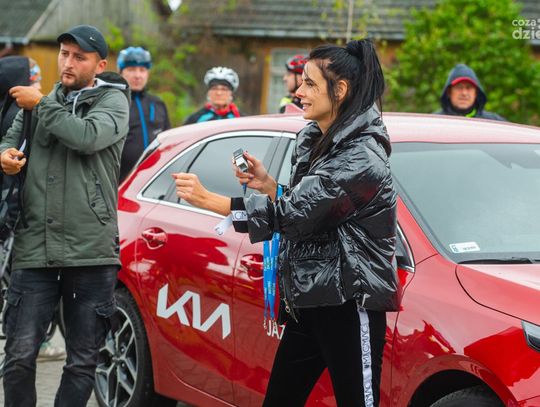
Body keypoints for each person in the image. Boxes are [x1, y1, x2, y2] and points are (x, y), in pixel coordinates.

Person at [173, 39, 399, 406]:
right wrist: (268, 185)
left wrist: (212, 202)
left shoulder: (360, 156)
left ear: (340, 90)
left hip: (349, 302)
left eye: (310, 84)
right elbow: (311, 206)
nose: (298, 92)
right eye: (301, 82)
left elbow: (294, 215)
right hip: (311, 295)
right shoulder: (317, 139)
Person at [0, 24, 129, 406]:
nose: (68, 63)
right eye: (64, 54)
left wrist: (40, 104)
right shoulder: (41, 102)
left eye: (79, 57)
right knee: (18, 356)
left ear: (99, 65)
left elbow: (86, 136)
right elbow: (10, 139)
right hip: (34, 246)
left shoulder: (113, 102)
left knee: (82, 360)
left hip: (91, 250)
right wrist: (6, 156)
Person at [0, 55, 67, 361]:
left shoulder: (6, 108)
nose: (39, 85)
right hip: (20, 212)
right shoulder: (21, 112)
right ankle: (34, 343)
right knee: (27, 283)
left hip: (9, 211)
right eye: (35, 79)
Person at [117, 46, 170, 182]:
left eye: (142, 70)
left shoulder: (158, 103)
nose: (138, 75)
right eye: (131, 69)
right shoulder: (113, 102)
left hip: (153, 180)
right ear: (121, 72)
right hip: (119, 181)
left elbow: (168, 140)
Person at [436, 63, 505, 121]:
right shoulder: (436, 121)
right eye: (459, 87)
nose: (464, 93)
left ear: (476, 93)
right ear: (449, 92)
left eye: (469, 88)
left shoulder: (494, 122)